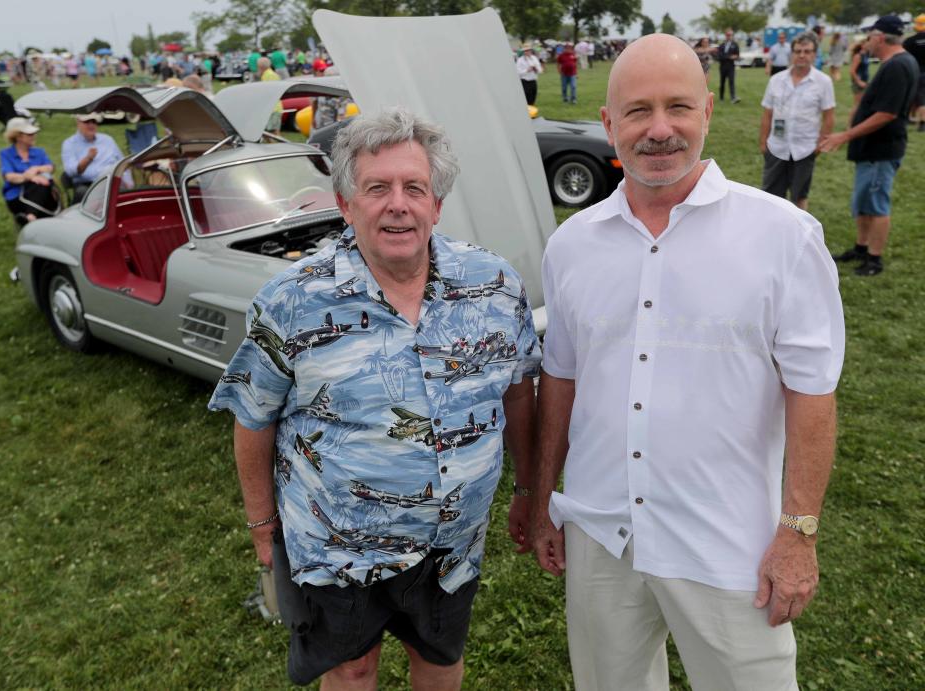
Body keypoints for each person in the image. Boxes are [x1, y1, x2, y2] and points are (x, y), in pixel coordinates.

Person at [531, 33, 845, 691]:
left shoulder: (782, 236)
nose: (660, 129)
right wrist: (540, 499)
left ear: (706, 111)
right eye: (638, 111)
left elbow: (813, 392)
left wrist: (799, 532)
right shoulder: (571, 245)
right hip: (601, 532)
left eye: (678, 107)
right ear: (609, 124)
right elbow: (560, 378)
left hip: (726, 541)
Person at [209, 107, 541, 689]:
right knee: (352, 667)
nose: (398, 204)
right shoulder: (291, 300)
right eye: (377, 188)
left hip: (452, 544)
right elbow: (252, 416)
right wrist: (263, 528)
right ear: (345, 203)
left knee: (439, 658)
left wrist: (529, 489)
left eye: (415, 188)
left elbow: (517, 394)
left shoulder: (493, 285)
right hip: (337, 547)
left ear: (437, 205)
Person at [820, 15, 921, 276]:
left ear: (880, 37)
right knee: (864, 201)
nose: (867, 42)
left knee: (876, 204)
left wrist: (845, 135)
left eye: (870, 36)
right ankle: (861, 248)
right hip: (873, 150)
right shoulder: (898, 62)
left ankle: (874, 259)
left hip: (881, 150)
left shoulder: (897, 65)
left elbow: (886, 113)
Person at [759, 32, 835, 210]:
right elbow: (767, 113)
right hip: (776, 147)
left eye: (807, 51)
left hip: (805, 149)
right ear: (791, 53)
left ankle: (800, 235)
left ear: (815, 54)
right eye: (798, 51)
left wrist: (820, 144)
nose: (802, 55)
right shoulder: (776, 80)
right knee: (771, 197)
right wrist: (763, 143)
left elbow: (829, 116)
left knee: (799, 196)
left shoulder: (823, 82)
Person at [0, 117, 56, 226]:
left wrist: (36, 169)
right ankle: (32, 217)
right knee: (40, 183)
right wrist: (29, 177)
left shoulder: (39, 152)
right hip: (17, 197)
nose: (34, 136)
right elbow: (9, 177)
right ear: (18, 136)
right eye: (30, 134)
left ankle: (30, 216)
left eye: (34, 133)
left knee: (41, 184)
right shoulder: (6, 154)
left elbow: (51, 167)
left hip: (44, 195)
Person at [60, 113, 129, 202]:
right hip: (85, 185)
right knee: (83, 193)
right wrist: (88, 159)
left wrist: (128, 183)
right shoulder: (69, 144)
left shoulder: (107, 140)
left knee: (126, 194)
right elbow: (70, 172)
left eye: (94, 121)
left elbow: (122, 163)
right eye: (87, 121)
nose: (91, 125)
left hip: (109, 182)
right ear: (78, 123)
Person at [904, 14, 925, 132]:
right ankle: (909, 117)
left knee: (919, 97)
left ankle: (923, 122)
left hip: (917, 71)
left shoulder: (910, 41)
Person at [257, 57, 284, 135]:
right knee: (269, 132)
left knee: (271, 132)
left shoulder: (268, 75)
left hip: (273, 108)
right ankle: (277, 146)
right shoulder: (270, 74)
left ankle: (280, 146)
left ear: (261, 66)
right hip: (275, 107)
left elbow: (266, 92)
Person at [848, 38, 870, 123]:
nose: (868, 45)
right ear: (862, 45)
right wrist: (859, 82)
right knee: (857, 105)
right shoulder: (858, 56)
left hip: (865, 82)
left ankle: (859, 122)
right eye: (866, 43)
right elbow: (852, 71)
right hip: (858, 83)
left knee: (862, 104)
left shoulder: (865, 54)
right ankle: (849, 125)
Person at [717, 28, 741, 103]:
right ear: (725, 35)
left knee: (731, 82)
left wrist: (727, 56)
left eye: (730, 35)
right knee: (722, 82)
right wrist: (729, 57)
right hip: (723, 66)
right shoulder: (721, 45)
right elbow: (719, 56)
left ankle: (733, 98)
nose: (729, 36)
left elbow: (737, 56)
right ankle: (721, 98)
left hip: (731, 66)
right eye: (728, 35)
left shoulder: (735, 45)